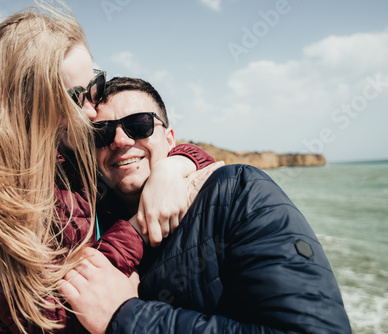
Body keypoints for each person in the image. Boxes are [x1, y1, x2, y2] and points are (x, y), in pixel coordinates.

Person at [0, 4, 214, 333]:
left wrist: (173, 168)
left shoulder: (65, 147)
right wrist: (136, 231)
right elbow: (39, 315)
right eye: (77, 97)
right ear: (31, 99)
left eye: (96, 86)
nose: (92, 112)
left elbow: (170, 152)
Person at [60, 77, 352, 333]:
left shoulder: (238, 193)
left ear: (170, 138)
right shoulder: (81, 220)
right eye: (102, 133)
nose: (120, 140)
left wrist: (125, 316)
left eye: (139, 124)